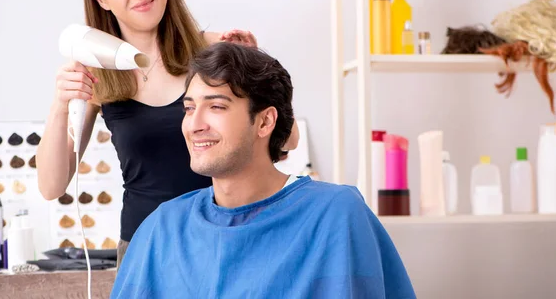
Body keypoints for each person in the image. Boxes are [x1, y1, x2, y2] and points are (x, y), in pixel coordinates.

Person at [35, 0, 299, 266]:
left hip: (231, 239)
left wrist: (256, 82)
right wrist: (61, 104)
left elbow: (288, 140)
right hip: (146, 250)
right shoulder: (96, 73)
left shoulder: (215, 50)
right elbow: (50, 186)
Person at [111, 42, 416, 299]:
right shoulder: (162, 229)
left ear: (265, 122)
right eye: (189, 108)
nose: (195, 124)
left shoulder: (335, 215)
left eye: (216, 107)